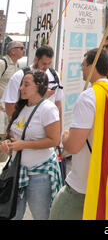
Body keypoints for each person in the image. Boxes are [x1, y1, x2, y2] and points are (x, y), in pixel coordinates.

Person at [50, 48, 108, 220]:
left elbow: (73, 146)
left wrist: (65, 136)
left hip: (84, 186)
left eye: (83, 64)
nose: (81, 68)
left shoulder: (88, 97)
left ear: (92, 66)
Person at [0, 70, 62, 220]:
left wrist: (24, 145)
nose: (21, 88)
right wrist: (7, 144)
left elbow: (54, 140)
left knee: (41, 216)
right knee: (12, 215)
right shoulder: (21, 107)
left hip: (40, 175)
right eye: (22, 84)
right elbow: (16, 135)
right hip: (17, 173)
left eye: (26, 84)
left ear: (39, 87)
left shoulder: (48, 109)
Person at [2, 45, 63, 133]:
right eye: (44, 63)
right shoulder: (20, 76)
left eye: (49, 64)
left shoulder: (54, 76)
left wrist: (58, 132)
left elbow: (58, 104)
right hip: (22, 128)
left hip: (47, 128)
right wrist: (40, 96)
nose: (46, 67)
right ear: (35, 59)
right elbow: (9, 109)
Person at [0, 41, 25, 162]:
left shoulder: (18, 66)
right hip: (1, 109)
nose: (23, 50)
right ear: (12, 51)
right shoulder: (2, 63)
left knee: (8, 137)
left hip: (11, 110)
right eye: (21, 48)